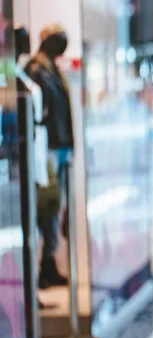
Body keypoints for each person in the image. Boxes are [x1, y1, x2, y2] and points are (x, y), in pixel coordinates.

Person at [25, 23, 73, 288]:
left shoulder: (54, 70)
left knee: (56, 208)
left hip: (60, 147)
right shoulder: (36, 70)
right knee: (46, 207)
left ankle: (49, 263)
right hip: (47, 150)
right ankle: (38, 270)